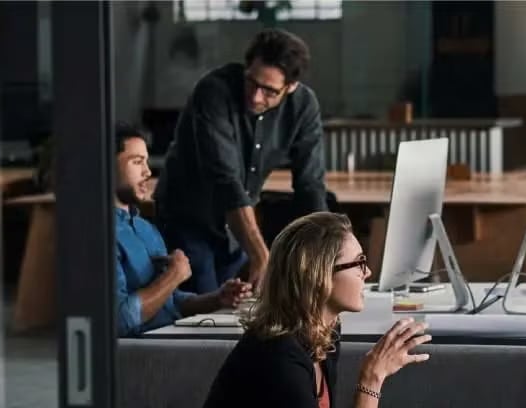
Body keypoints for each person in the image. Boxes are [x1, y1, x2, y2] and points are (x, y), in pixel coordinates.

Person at [158, 28, 328, 294]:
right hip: (188, 219)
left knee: (236, 311)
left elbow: (311, 185)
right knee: (203, 315)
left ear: (291, 87)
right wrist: (261, 255)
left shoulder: (304, 106)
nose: (256, 97)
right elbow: (226, 181)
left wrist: (326, 252)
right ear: (247, 68)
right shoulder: (213, 91)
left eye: (270, 91)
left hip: (235, 230)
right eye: (252, 82)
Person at [203, 212, 431, 408]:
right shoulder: (279, 358)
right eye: (359, 262)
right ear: (319, 274)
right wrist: (371, 379)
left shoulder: (324, 333)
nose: (368, 272)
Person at [113, 127, 253, 337]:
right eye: (136, 161)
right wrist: (173, 276)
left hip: (170, 336)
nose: (148, 172)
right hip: (140, 350)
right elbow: (118, 321)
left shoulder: (145, 228)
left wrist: (217, 299)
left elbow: (171, 301)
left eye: (146, 161)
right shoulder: (100, 235)